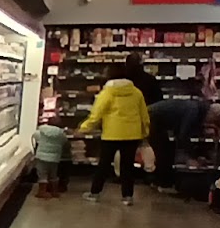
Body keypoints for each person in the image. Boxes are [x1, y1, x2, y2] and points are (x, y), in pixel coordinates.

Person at [79, 63, 151, 205]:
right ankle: (127, 197)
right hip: (132, 135)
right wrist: (144, 132)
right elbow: (144, 115)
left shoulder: (107, 93)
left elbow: (96, 114)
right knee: (127, 166)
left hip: (111, 134)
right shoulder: (136, 92)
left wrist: (84, 128)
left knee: (104, 165)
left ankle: (95, 193)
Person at [147, 85, 209, 193]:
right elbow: (183, 135)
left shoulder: (192, 107)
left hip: (152, 118)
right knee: (163, 152)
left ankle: (158, 181)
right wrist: (192, 157)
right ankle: (163, 184)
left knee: (164, 150)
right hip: (150, 119)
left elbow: (179, 131)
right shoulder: (193, 110)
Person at [32, 111, 69, 197]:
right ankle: (54, 191)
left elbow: (35, 136)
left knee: (42, 174)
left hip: (41, 157)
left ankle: (42, 192)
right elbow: (64, 142)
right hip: (54, 158)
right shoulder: (61, 134)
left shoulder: (42, 131)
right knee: (53, 175)